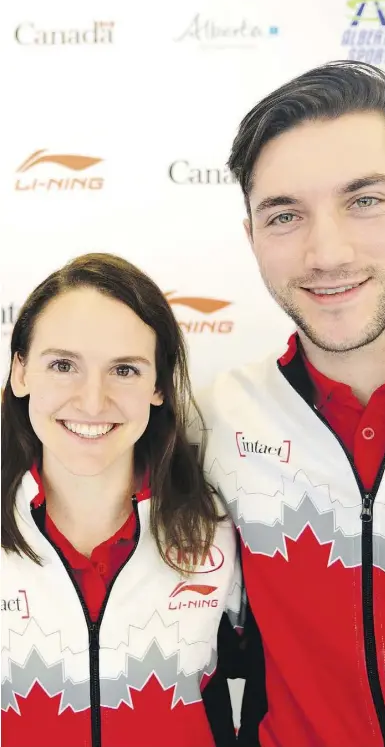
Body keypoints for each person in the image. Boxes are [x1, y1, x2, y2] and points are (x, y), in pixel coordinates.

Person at [190, 61, 385, 747]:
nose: (325, 251)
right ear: (251, 237)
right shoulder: (218, 418)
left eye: (364, 200)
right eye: (283, 214)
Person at [1, 253, 242, 747]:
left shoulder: (221, 528)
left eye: (125, 370)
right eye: (63, 365)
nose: (92, 401)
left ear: (158, 385)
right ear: (20, 372)